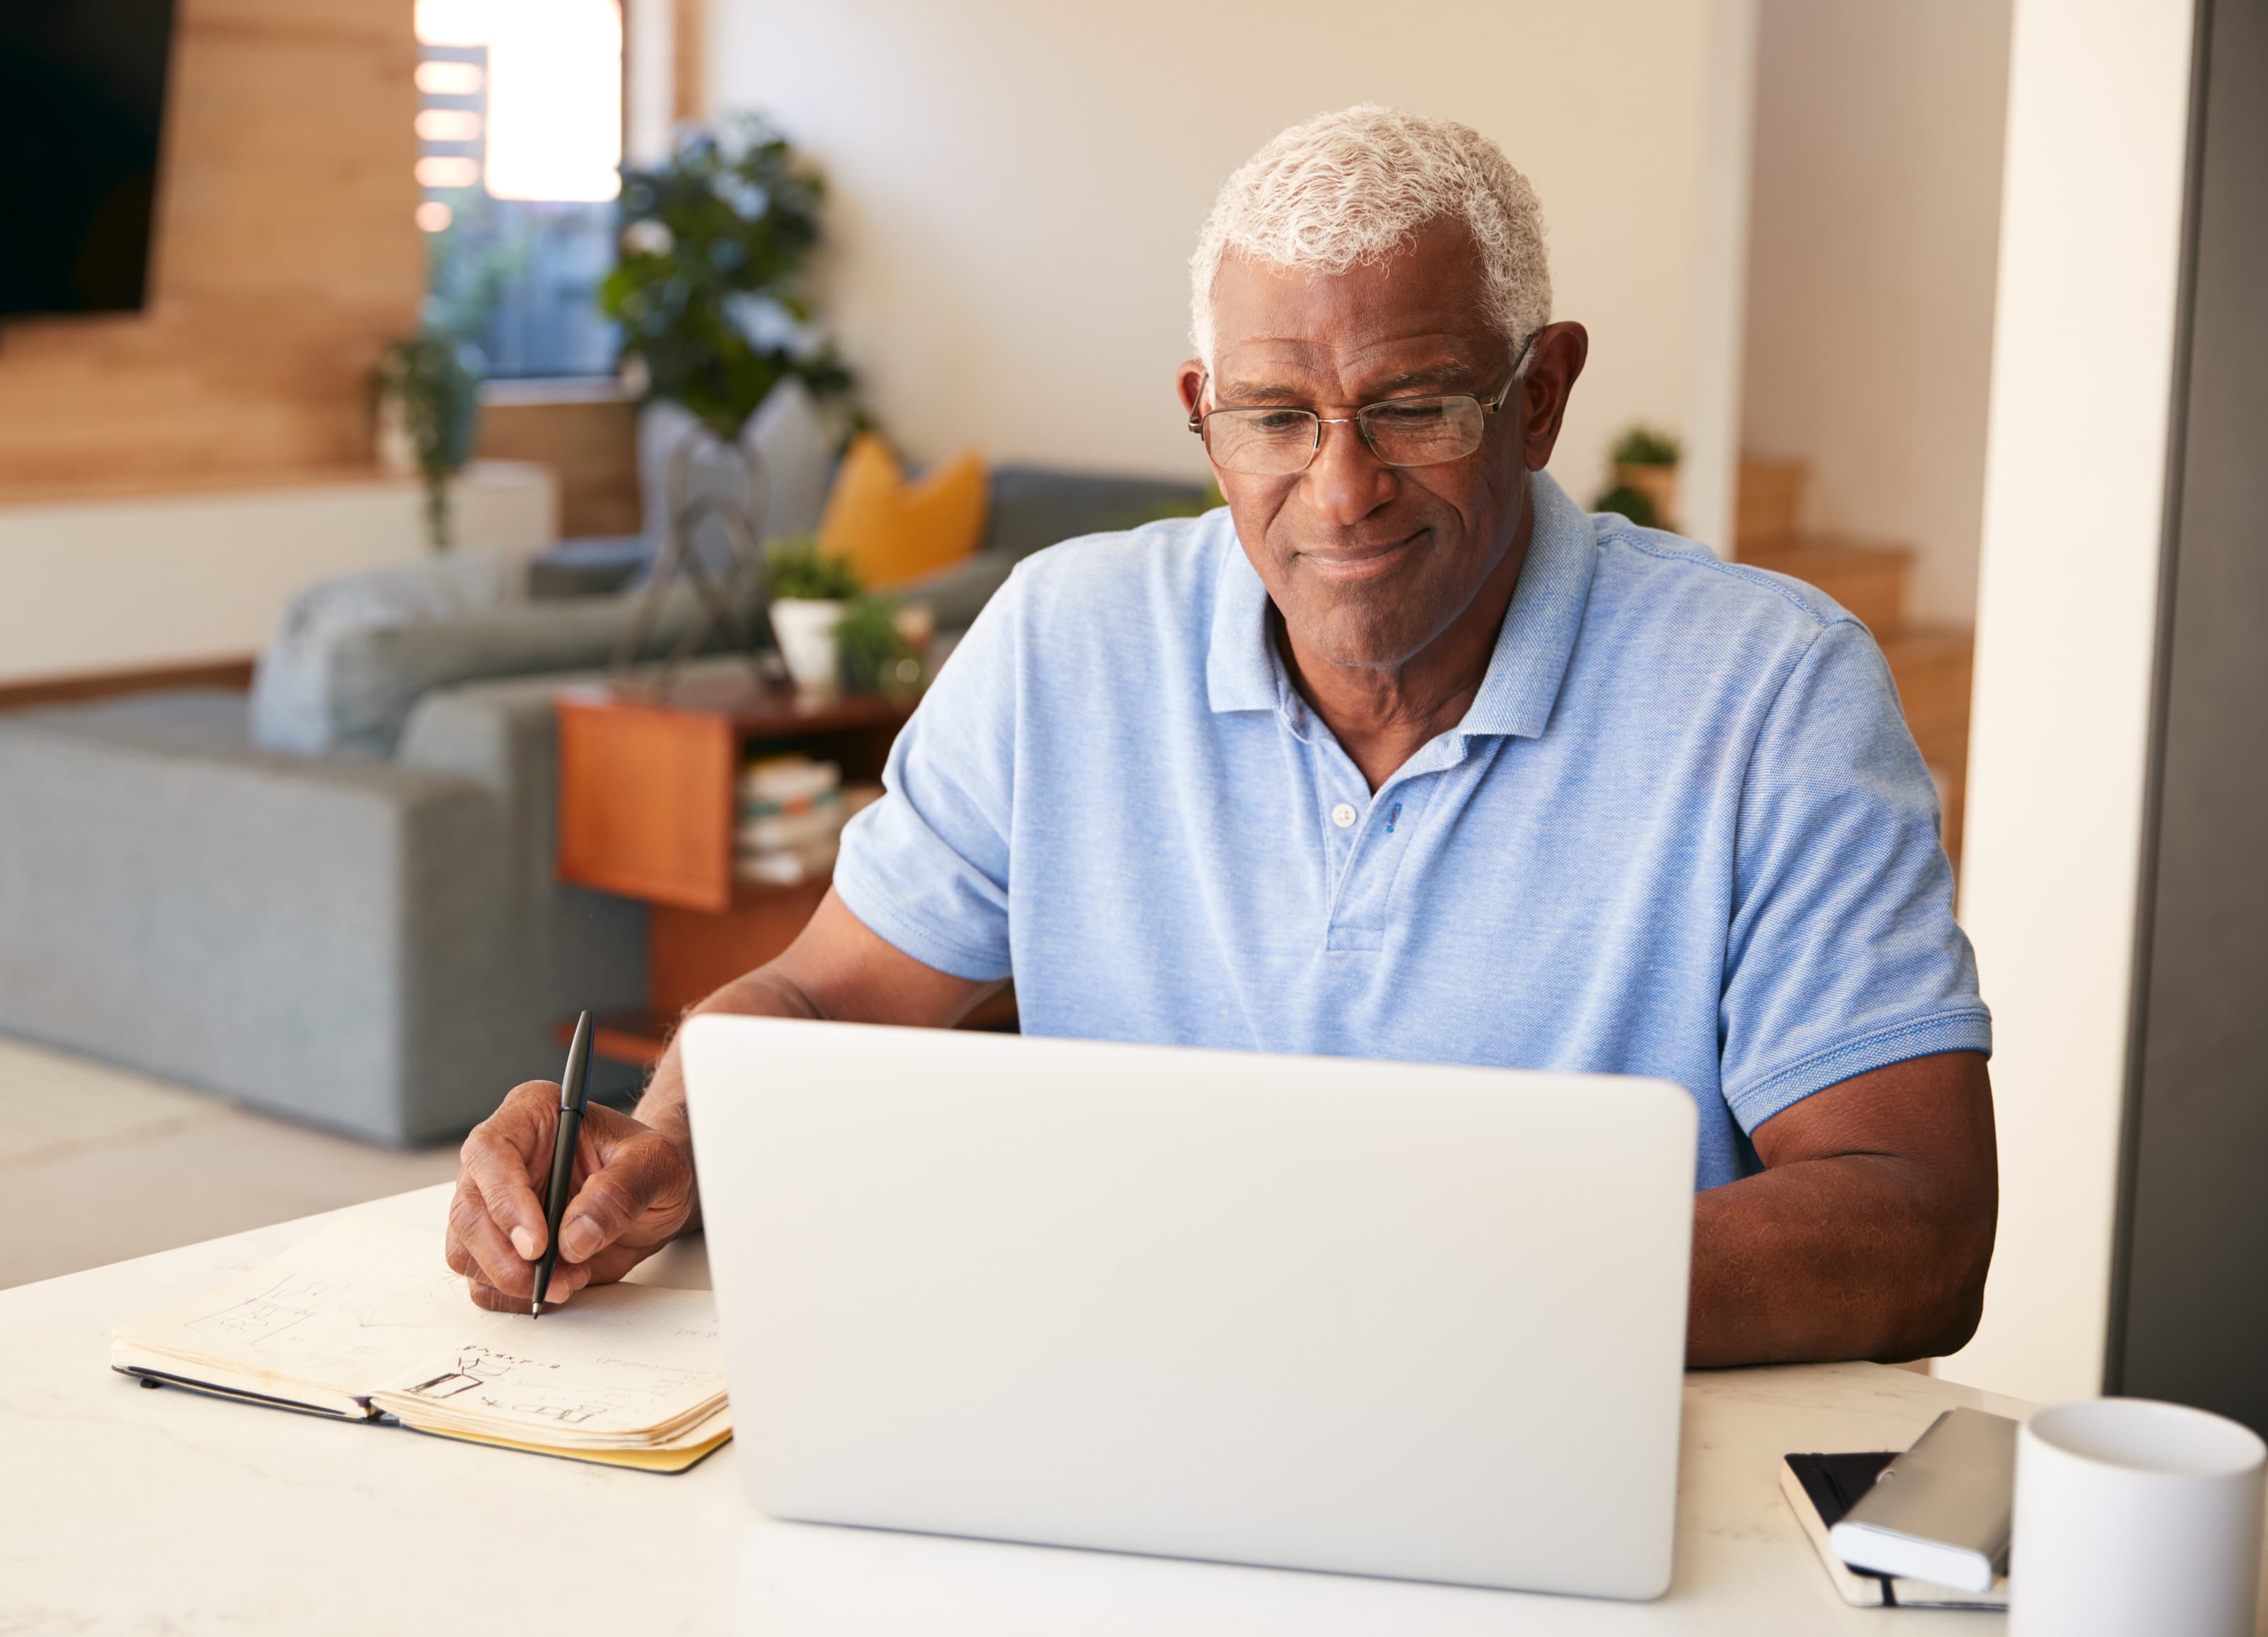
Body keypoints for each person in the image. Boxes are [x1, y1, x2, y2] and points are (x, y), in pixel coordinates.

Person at [445, 105, 1998, 1368]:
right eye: (1274, 416)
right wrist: (657, 1146)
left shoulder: (1773, 690)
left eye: (1416, 406)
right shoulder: (1064, 640)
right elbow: (816, 996)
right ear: (1201, 411)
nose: (1341, 490)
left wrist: (1379, 1293)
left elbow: (1916, 1223)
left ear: (1543, 396)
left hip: (1565, 1445)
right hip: (1130, 1422)